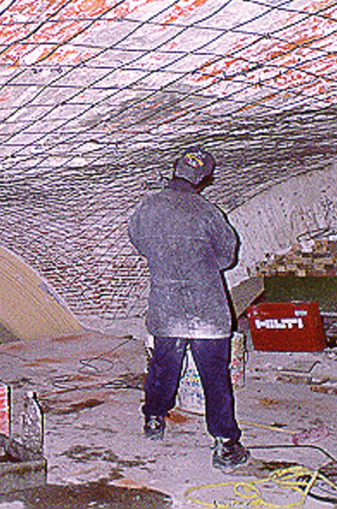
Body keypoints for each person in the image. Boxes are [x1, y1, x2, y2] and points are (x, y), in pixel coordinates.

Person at [127, 146, 250, 472]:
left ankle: (154, 419)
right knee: (215, 377)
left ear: (174, 171)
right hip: (207, 309)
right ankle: (225, 444)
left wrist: (165, 256)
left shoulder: (148, 206)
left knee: (163, 368)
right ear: (203, 180)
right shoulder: (208, 212)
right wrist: (200, 263)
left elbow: (138, 242)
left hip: (166, 308)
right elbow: (227, 257)